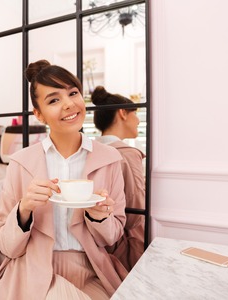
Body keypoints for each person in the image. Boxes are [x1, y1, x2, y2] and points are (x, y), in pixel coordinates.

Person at [0, 60, 127, 300]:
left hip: (92, 270)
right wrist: (24, 208)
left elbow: (111, 238)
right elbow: (7, 247)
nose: (69, 104)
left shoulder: (109, 159)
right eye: (54, 100)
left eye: (73, 93)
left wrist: (99, 217)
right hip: (33, 269)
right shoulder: (21, 163)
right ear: (39, 114)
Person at [91, 85, 146, 271]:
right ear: (123, 113)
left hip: (95, 245)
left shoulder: (89, 151)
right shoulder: (128, 155)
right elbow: (135, 214)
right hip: (124, 247)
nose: (138, 120)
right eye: (135, 113)